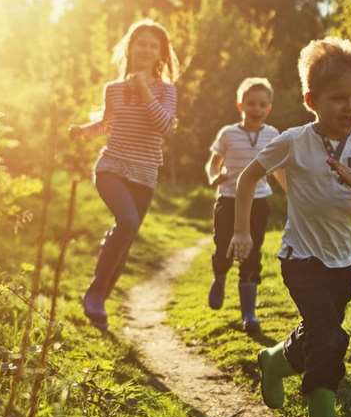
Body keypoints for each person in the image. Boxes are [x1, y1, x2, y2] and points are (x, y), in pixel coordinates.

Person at [226, 38, 351, 417]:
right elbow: (248, 178)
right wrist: (242, 233)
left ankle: (275, 361)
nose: (350, 106)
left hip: (345, 262)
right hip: (301, 257)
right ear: (311, 99)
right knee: (329, 337)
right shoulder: (294, 141)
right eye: (338, 98)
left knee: (320, 335)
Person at [68, 19, 179, 332]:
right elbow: (107, 124)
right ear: (130, 48)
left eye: (153, 45)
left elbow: (166, 127)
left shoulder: (167, 91)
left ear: (161, 54)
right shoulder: (113, 90)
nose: (145, 49)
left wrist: (145, 90)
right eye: (140, 42)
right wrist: (82, 132)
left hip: (145, 173)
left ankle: (98, 298)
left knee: (125, 235)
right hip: (112, 167)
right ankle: (95, 294)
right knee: (128, 222)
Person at [204, 77, 281, 334]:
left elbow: (280, 167)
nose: (256, 109)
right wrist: (214, 177)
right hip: (227, 199)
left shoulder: (273, 135)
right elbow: (212, 163)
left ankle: (249, 313)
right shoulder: (228, 134)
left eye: (262, 104)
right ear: (240, 105)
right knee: (224, 246)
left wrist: (295, 191)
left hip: (259, 201)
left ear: (269, 107)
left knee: (252, 252)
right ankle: (220, 277)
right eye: (251, 104)